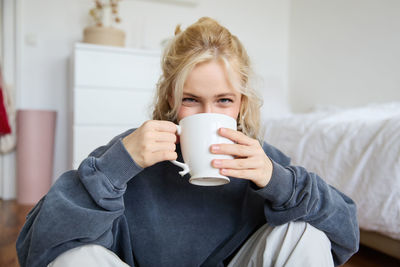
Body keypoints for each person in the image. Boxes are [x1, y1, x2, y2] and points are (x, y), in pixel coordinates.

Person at [17, 17, 359, 267]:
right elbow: (35, 245)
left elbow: (346, 234)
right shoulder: (129, 153)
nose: (206, 114)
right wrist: (115, 168)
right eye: (191, 99)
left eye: (224, 100)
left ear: (242, 102)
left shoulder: (261, 161)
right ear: (169, 98)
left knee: (305, 233)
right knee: (74, 259)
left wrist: (279, 181)